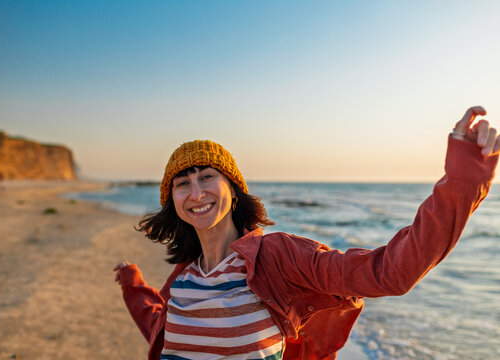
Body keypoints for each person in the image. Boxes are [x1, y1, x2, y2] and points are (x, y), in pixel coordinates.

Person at [114, 106, 499, 360]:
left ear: (232, 189)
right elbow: (156, 324)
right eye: (182, 183)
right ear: (172, 200)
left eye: (207, 176)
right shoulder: (183, 279)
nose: (196, 192)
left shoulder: (278, 258)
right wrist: (132, 283)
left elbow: (389, 272)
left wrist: (463, 181)